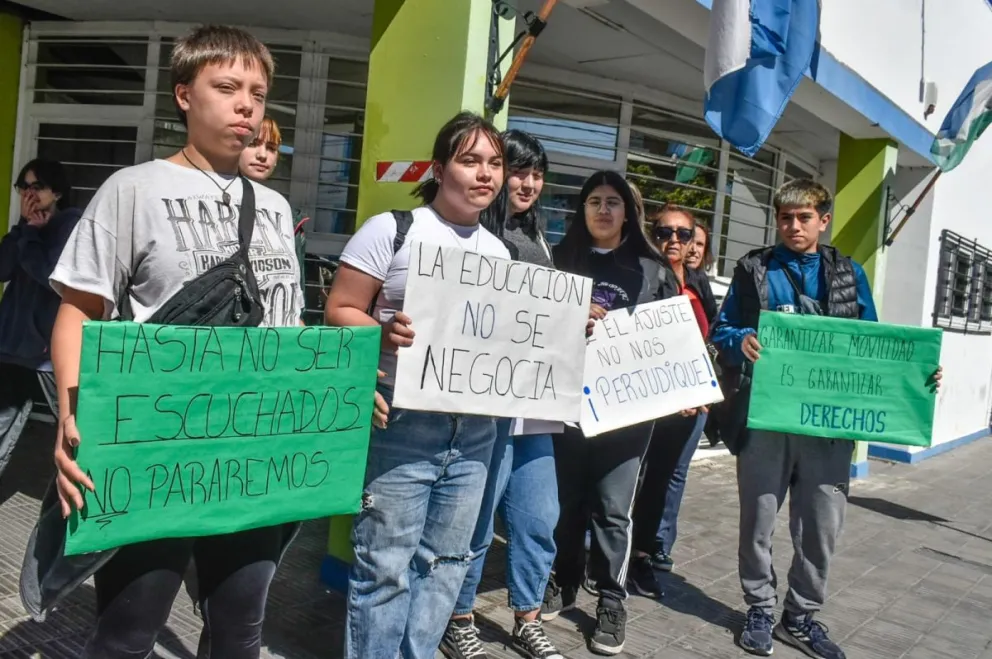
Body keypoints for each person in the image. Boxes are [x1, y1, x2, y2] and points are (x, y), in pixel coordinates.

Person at [44, 26, 305, 658]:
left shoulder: (271, 206)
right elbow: (79, 311)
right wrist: (72, 416)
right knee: (129, 632)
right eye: (227, 88)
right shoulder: (131, 189)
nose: (247, 105)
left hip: (253, 451)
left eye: (258, 93)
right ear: (184, 95)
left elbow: (286, 328)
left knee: (240, 631)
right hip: (156, 450)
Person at [710, 179, 941, 659]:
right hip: (765, 421)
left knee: (821, 526)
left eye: (804, 217)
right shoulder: (754, 268)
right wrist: (740, 342)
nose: (793, 226)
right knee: (757, 521)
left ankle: (800, 616)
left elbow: (875, 347)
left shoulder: (849, 274)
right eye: (785, 218)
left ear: (823, 220)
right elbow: (723, 328)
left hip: (829, 428)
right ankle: (758, 608)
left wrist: (918, 374)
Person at [326, 111, 508, 659]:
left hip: (475, 434)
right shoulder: (394, 230)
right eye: (470, 160)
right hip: (402, 424)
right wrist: (380, 327)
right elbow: (338, 310)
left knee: (448, 565)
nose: (485, 175)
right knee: (385, 569)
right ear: (439, 166)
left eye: (495, 163)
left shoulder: (499, 255)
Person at [543, 171, 678, 656]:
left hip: (626, 413)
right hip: (565, 405)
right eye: (594, 201)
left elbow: (671, 341)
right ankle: (563, 578)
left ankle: (612, 598)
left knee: (613, 510)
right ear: (581, 210)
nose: (603, 210)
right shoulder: (558, 261)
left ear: (628, 211)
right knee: (564, 501)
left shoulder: (653, 268)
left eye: (613, 202)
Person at [440, 130, 563, 659]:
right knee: (476, 515)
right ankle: (459, 617)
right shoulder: (475, 239)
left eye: (536, 174)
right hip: (484, 407)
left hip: (536, 408)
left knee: (539, 517)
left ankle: (528, 618)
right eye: (519, 170)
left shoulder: (539, 238)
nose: (527, 182)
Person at [627, 204, 718, 594]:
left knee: (663, 480)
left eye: (684, 234)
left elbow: (710, 334)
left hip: (689, 406)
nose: (674, 241)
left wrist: (702, 384)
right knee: (632, 480)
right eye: (665, 233)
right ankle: (607, 554)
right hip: (645, 402)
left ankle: (645, 555)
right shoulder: (641, 276)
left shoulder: (697, 282)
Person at [0, 159, 80, 479]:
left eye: (38, 187)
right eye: (24, 187)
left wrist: (32, 235)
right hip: (12, 345)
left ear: (57, 192)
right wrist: (22, 228)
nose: (29, 194)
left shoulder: (71, 225)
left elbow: (49, 275)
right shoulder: (25, 227)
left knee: (71, 429)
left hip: (49, 352)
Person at [240, 115, 310, 293]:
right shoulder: (211, 202)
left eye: (271, 148)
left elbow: (296, 288)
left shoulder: (289, 216)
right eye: (253, 144)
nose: (262, 155)